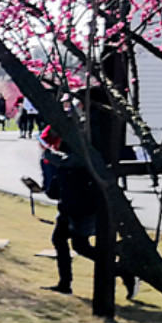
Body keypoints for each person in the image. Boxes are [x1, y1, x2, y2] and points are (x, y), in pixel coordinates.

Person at [39, 127, 138, 298]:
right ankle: (65, 283)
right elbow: (55, 186)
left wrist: (48, 155)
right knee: (60, 240)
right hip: (68, 206)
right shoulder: (62, 155)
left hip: (83, 207)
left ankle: (121, 270)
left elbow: (71, 162)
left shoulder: (81, 151)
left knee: (81, 246)